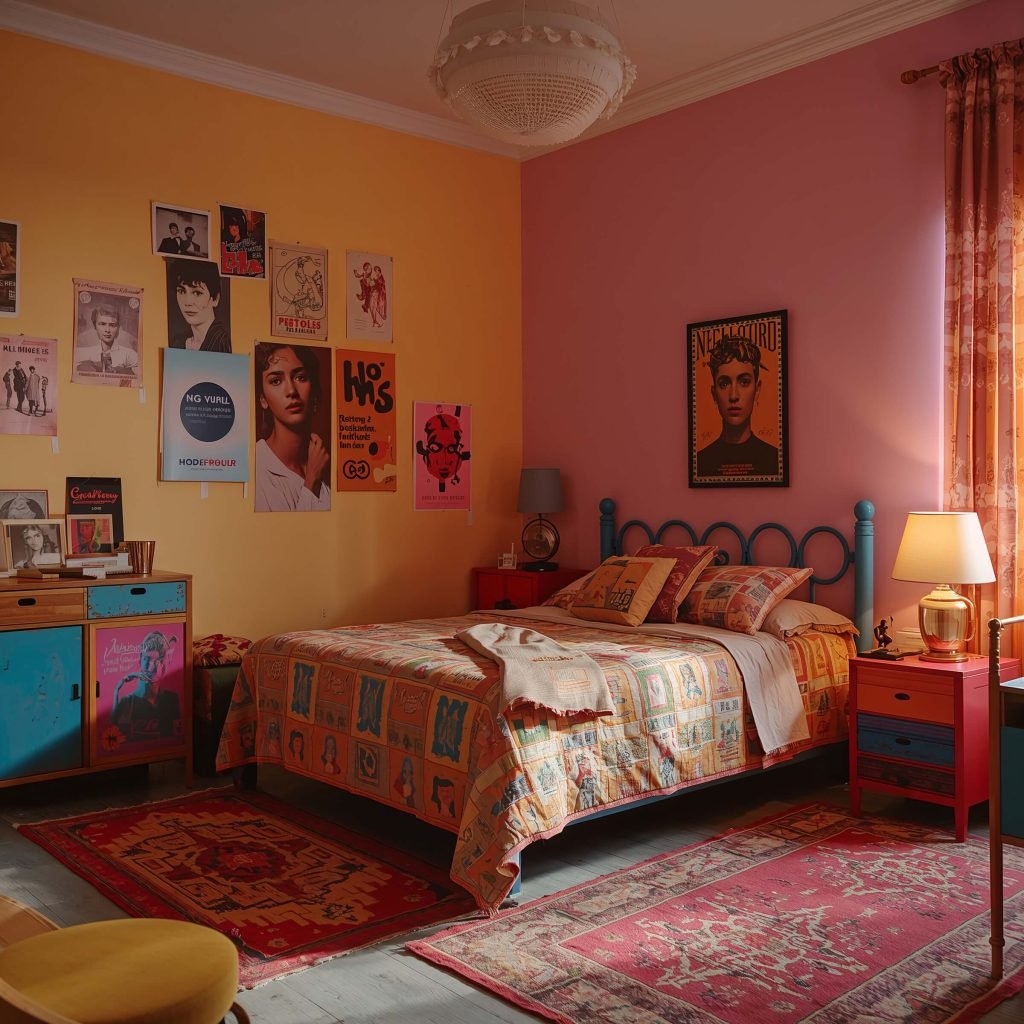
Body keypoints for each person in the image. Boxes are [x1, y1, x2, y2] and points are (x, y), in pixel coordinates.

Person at [254, 344, 330, 511]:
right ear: (263, 399)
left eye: (300, 377)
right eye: (276, 381)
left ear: (314, 390)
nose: (291, 391)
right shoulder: (256, 468)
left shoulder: (325, 462)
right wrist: (311, 481)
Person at [695, 335, 780, 479]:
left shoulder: (774, 459)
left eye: (744, 382)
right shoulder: (700, 462)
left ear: (757, 390)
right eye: (724, 384)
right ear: (714, 394)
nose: (733, 395)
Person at [111, 631, 180, 743]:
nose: (151, 666)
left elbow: (176, 736)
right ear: (140, 659)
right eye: (146, 659)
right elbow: (117, 738)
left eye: (158, 661)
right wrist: (116, 692)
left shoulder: (172, 699)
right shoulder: (127, 702)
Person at [168, 260, 231, 352]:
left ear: (215, 299)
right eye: (182, 291)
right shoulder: (177, 342)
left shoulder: (223, 342)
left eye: (197, 293)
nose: (188, 302)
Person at [75, 304, 138, 376]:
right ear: (95, 326)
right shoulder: (82, 353)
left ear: (118, 327)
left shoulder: (130, 355)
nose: (107, 330)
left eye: (112, 325)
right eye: (102, 324)